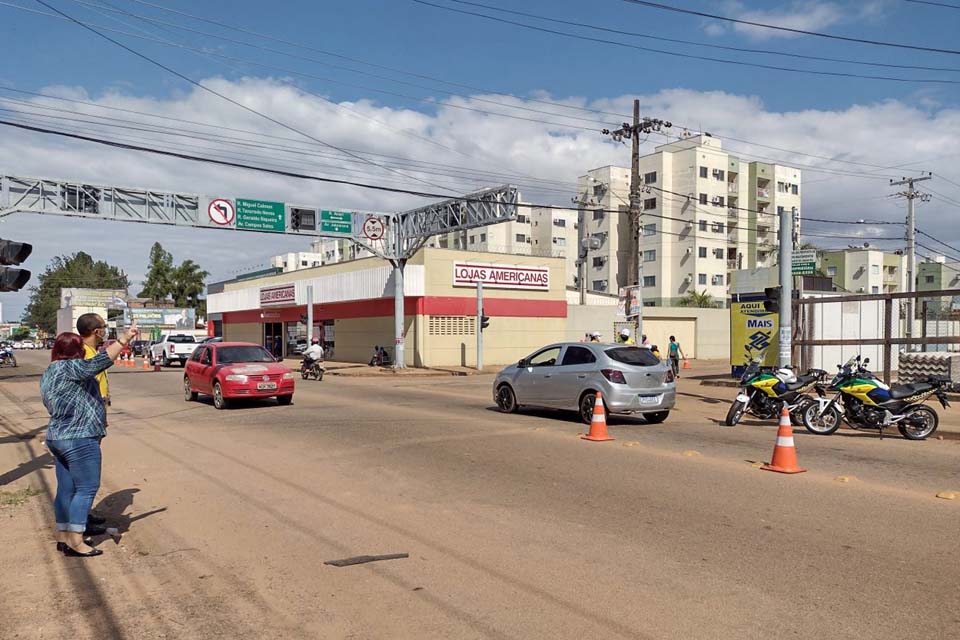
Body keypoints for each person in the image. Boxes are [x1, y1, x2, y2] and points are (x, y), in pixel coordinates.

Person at [40, 321, 139, 557]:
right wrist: (125, 339)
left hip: (58, 436)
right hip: (79, 438)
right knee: (86, 488)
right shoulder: (71, 367)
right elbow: (101, 361)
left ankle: (64, 534)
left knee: (67, 488)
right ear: (75, 351)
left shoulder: (50, 370)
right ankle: (76, 540)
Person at [76, 313, 112, 533]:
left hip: (96, 417)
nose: (105, 331)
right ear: (96, 331)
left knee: (84, 477)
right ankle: (80, 524)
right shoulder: (84, 353)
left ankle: (84, 515)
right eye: (104, 327)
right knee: (85, 479)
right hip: (87, 421)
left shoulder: (92, 351)